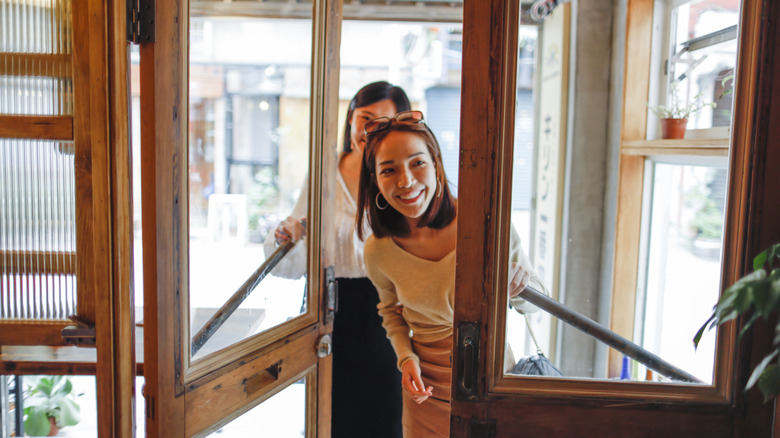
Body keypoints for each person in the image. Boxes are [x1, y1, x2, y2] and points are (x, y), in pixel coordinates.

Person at [356, 110, 547, 437]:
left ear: (436, 165)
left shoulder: (487, 224)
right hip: (425, 397)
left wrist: (519, 284)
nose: (405, 181)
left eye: (417, 163)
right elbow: (390, 313)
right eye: (389, 170)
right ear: (375, 180)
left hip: (489, 383)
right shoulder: (378, 250)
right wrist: (405, 359)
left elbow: (538, 300)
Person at [264, 82, 410, 437]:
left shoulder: (406, 176)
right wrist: (287, 237)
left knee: (386, 417)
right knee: (332, 417)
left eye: (384, 121)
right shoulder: (325, 172)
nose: (369, 129)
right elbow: (297, 252)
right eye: (364, 118)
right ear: (350, 120)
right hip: (331, 313)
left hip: (391, 314)